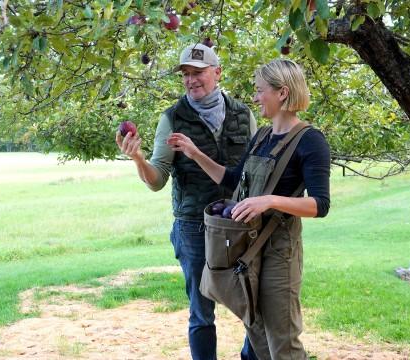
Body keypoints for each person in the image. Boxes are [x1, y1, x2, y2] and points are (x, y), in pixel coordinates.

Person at [166, 59, 331, 359]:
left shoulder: (310, 141)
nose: (255, 98)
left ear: (282, 93)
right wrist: (194, 153)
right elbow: (231, 180)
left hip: (280, 251)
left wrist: (269, 201)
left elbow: (320, 204)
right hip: (248, 250)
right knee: (257, 334)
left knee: (282, 339)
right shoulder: (262, 137)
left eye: (260, 91)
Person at [115, 43, 258, 360]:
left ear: (217, 73)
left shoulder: (243, 115)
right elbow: (157, 179)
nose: (192, 80)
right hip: (194, 228)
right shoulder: (172, 118)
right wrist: (138, 158)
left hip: (240, 225)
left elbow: (255, 172)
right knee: (201, 311)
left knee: (254, 304)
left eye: (199, 73)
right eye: (186, 74)